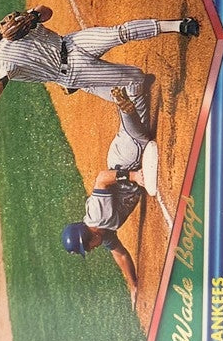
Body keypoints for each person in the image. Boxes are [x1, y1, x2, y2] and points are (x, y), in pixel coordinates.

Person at [0, 4, 199, 123]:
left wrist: (33, 16)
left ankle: (179, 25)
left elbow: (47, 11)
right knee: (136, 78)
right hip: (72, 71)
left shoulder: (7, 25)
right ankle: (138, 123)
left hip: (72, 42)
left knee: (119, 32)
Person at [60, 104, 160, 310]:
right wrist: (133, 285)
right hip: (127, 161)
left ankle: (125, 106)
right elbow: (120, 254)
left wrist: (134, 176)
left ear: (88, 236)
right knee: (140, 124)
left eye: (87, 247)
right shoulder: (102, 233)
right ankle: (127, 105)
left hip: (128, 158)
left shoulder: (98, 217)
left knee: (141, 132)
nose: (91, 249)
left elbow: (102, 178)